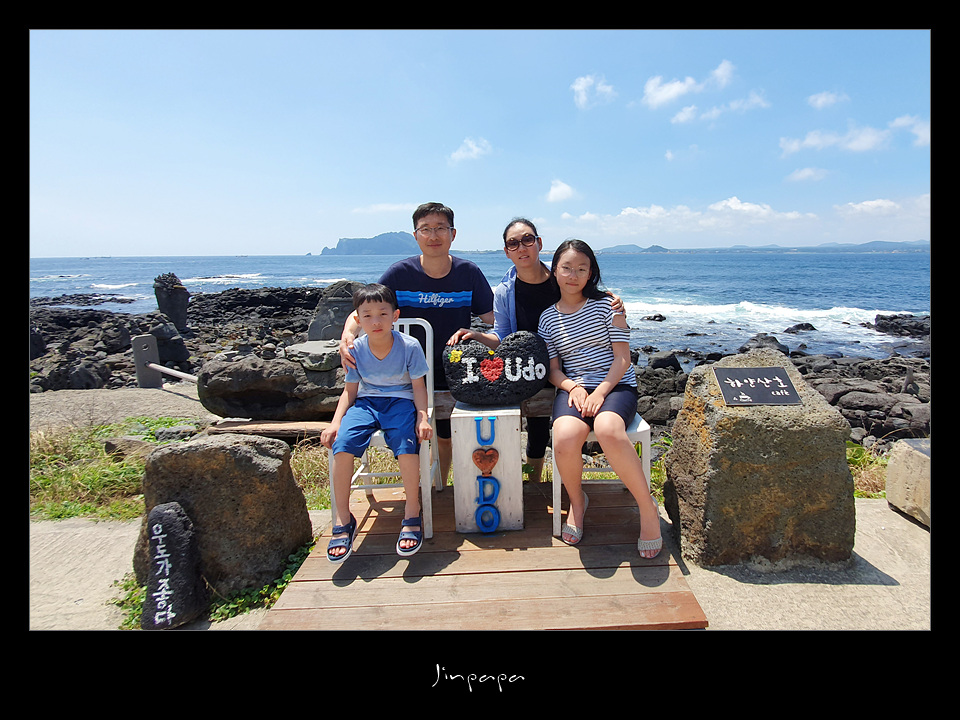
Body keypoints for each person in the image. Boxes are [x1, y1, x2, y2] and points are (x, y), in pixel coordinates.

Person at [449, 218, 622, 483]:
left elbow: (589, 297)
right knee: (534, 429)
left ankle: (552, 485)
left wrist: (614, 302)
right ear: (506, 251)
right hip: (531, 370)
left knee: (554, 429)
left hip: (571, 369)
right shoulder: (505, 291)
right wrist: (477, 336)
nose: (522, 247)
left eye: (528, 239)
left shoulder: (561, 275)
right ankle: (533, 485)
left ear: (539, 243)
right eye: (513, 243)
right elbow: (504, 337)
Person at [339, 202, 495, 485]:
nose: (433, 235)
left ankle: (439, 486)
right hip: (404, 372)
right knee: (411, 430)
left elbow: (493, 317)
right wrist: (347, 335)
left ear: (453, 233)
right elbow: (365, 309)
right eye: (426, 229)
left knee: (446, 434)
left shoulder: (468, 272)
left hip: (451, 369)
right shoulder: (400, 273)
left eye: (440, 228)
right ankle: (419, 486)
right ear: (416, 235)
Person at [537, 239, 661, 558]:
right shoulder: (547, 318)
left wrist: (600, 392)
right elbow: (553, 370)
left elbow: (623, 359)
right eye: (566, 268)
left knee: (608, 429)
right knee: (565, 436)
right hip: (575, 389)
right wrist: (573, 388)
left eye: (582, 269)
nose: (573, 275)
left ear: (591, 273)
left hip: (615, 386)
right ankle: (578, 503)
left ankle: (647, 508)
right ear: (554, 271)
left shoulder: (608, 306)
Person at [322, 284, 433, 562]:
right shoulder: (356, 349)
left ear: (395, 315)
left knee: (407, 446)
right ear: (358, 320)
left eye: (383, 314)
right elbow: (350, 391)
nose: (376, 321)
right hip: (366, 402)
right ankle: (344, 518)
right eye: (368, 315)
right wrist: (335, 423)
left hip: (401, 401)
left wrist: (422, 417)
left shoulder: (409, 346)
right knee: (342, 445)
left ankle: (412, 510)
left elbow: (419, 387)